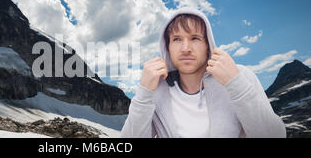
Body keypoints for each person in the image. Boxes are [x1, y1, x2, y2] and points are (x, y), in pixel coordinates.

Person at [121, 8, 286, 138]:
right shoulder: (156, 88)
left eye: (195, 38)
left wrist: (235, 83)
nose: (186, 49)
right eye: (177, 39)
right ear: (167, 47)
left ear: (208, 44)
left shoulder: (239, 75)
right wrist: (143, 93)